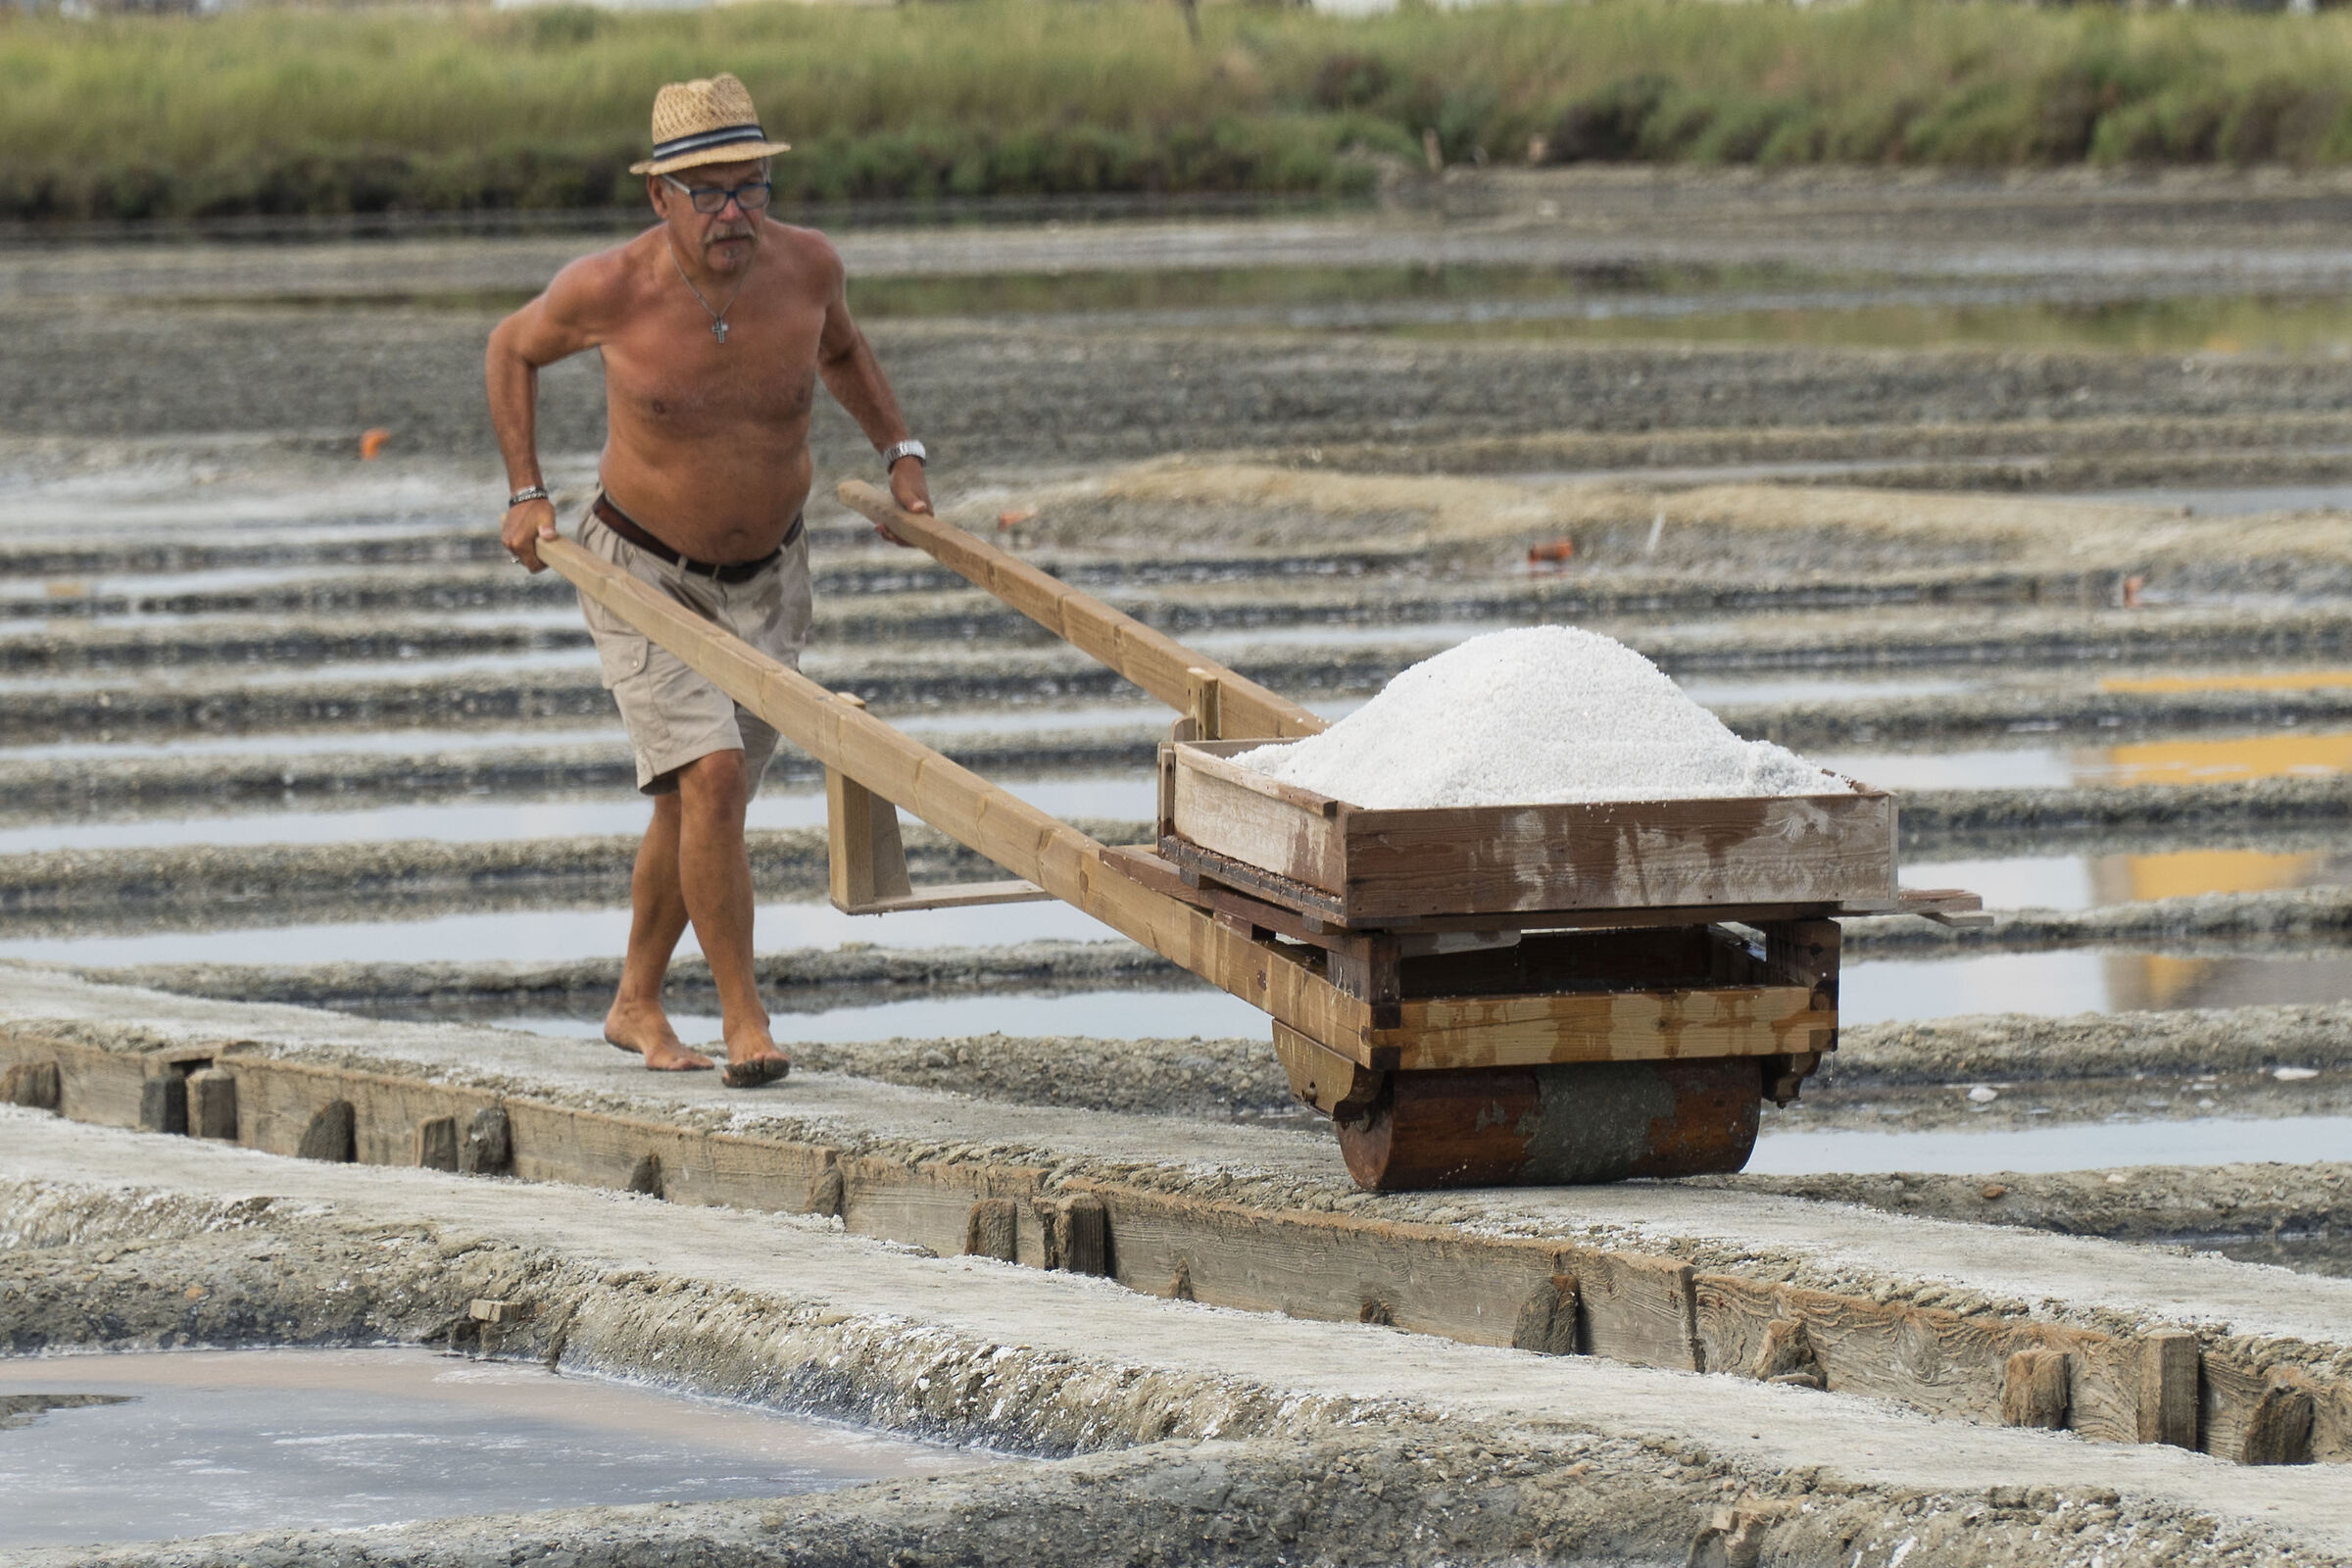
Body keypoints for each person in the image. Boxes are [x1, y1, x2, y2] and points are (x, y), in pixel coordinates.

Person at [485, 73, 929, 1088]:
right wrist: (525, 489)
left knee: (698, 804)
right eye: (710, 193)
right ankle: (745, 1021)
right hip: (640, 568)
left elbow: (846, 352)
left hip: (770, 577)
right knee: (714, 778)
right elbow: (510, 348)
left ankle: (635, 997)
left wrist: (901, 450)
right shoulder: (610, 289)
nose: (735, 214)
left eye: (752, 189)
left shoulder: (808, 268)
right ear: (660, 198)